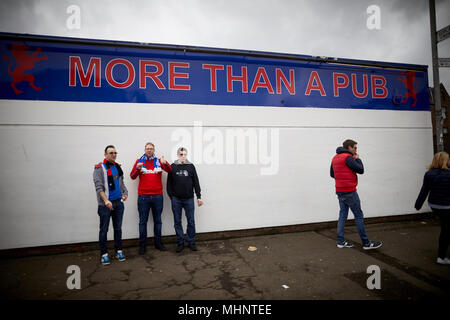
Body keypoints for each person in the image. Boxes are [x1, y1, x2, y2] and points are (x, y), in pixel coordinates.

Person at [330, 139, 382, 250]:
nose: (356, 149)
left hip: (339, 191)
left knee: (342, 215)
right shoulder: (348, 158)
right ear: (349, 147)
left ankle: (341, 241)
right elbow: (361, 170)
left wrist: (341, 180)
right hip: (349, 191)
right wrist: (358, 159)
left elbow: (332, 174)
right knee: (358, 215)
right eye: (354, 147)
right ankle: (366, 243)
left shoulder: (335, 158)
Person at [130, 142, 172, 255]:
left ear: (154, 150)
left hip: (157, 196)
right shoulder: (139, 161)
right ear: (145, 150)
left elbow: (170, 170)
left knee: (158, 221)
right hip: (143, 197)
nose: (149, 150)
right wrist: (138, 169)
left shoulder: (159, 161)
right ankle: (142, 246)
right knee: (142, 222)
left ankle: (158, 243)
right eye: (147, 148)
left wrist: (165, 163)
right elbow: (132, 176)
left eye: (151, 149)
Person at [93, 145, 128, 265]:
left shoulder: (118, 167)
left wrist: (125, 193)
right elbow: (99, 187)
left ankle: (119, 250)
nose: (113, 155)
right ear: (105, 154)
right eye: (111, 153)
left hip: (118, 203)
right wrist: (106, 201)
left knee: (118, 229)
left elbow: (121, 184)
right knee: (104, 230)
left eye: (115, 153)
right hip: (105, 205)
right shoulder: (99, 168)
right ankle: (104, 254)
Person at [415, 151, 450, 265]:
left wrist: (418, 205)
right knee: (446, 229)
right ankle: (441, 257)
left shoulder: (429, 174)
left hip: (434, 205)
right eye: (448, 159)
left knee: (445, 226)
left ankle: (442, 255)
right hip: (446, 206)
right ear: (445, 161)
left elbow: (424, 191)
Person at [167, 147, 203, 253]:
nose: (183, 156)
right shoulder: (172, 167)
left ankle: (191, 242)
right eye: (181, 154)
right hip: (176, 199)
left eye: (185, 154)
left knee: (191, 221)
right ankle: (180, 242)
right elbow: (169, 184)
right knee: (177, 222)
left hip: (189, 199)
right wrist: (171, 197)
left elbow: (196, 182)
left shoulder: (191, 167)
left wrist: (199, 196)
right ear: (177, 155)